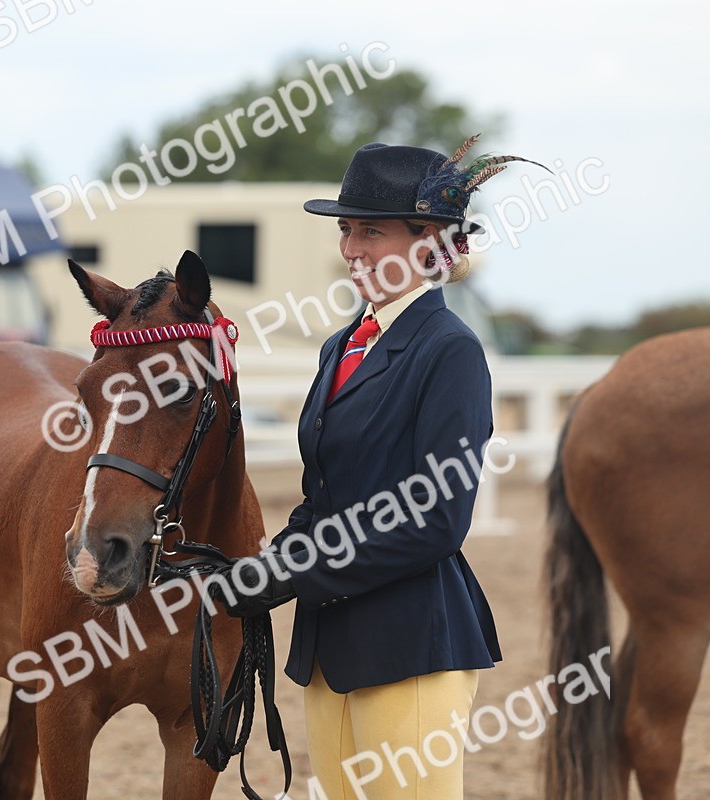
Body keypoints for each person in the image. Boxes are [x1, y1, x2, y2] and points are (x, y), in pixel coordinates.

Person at [216, 138, 545, 798]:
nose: (350, 248)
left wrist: (291, 574)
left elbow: (437, 521)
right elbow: (323, 497)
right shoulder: (341, 346)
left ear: (429, 243)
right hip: (328, 648)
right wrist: (259, 566)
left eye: (370, 231)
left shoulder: (449, 350)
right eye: (346, 230)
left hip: (409, 643)